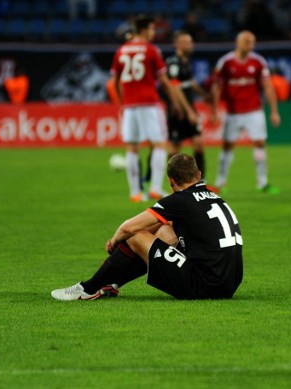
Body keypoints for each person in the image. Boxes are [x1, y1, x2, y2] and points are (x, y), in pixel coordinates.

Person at [51, 154, 243, 301]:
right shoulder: (215, 197)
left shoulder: (179, 200)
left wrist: (114, 241)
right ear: (199, 175)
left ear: (171, 181)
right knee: (163, 228)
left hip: (204, 286)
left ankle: (87, 289)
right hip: (229, 283)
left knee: (136, 236)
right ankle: (112, 284)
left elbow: (128, 228)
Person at [109, 15, 182, 203]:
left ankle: (135, 193)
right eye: (151, 29)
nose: (153, 33)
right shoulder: (151, 50)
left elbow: (115, 81)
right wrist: (174, 101)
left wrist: (122, 102)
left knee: (132, 148)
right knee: (158, 144)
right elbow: (164, 82)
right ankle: (155, 189)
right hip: (149, 103)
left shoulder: (121, 50)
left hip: (130, 106)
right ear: (143, 30)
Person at [210, 30, 281, 194]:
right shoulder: (226, 62)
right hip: (233, 112)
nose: (250, 45)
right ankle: (220, 182)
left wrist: (274, 111)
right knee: (227, 146)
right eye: (247, 41)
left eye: (252, 42)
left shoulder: (258, 62)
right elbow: (217, 87)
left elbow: (268, 87)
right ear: (238, 42)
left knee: (260, 143)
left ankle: (263, 182)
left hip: (254, 111)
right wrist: (214, 110)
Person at [165, 31, 209, 172]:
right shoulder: (173, 62)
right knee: (175, 147)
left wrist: (203, 94)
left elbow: (190, 82)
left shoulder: (186, 61)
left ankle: (200, 182)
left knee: (198, 143)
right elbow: (175, 86)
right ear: (177, 44)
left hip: (189, 107)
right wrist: (189, 111)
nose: (191, 45)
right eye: (187, 42)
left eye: (191, 41)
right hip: (177, 110)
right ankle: (173, 180)